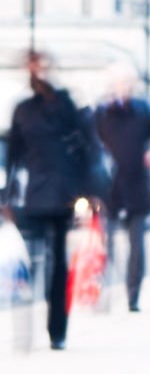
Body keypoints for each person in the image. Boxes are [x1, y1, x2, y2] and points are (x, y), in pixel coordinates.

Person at [2, 51, 103, 350]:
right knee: (40, 263)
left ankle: (54, 330)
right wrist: (5, 194)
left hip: (59, 195)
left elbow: (87, 148)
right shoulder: (25, 109)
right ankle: (43, 330)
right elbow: (13, 156)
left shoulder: (64, 104)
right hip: (38, 195)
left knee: (55, 264)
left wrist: (89, 191)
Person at [94, 62, 150, 313]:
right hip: (107, 187)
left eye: (128, 83)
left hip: (138, 185)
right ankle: (102, 287)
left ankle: (133, 294)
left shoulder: (146, 111)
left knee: (137, 244)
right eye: (119, 83)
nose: (124, 88)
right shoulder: (100, 112)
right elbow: (86, 145)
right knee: (103, 243)